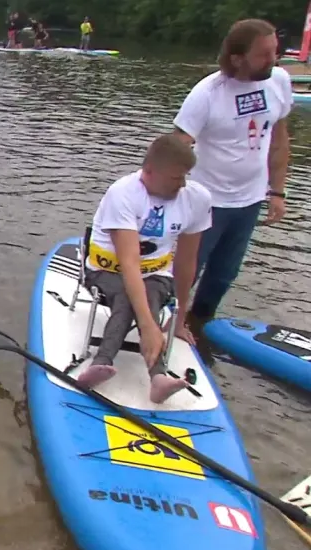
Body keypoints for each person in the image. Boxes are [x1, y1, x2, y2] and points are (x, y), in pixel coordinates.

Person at [76, 134, 213, 404]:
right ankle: (105, 363)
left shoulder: (197, 198)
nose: (183, 184)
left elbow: (187, 261)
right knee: (130, 295)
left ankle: (157, 380)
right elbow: (128, 263)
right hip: (107, 270)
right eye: (176, 178)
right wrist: (149, 326)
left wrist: (180, 318)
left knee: (150, 291)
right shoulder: (123, 193)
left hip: (156, 273)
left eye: (185, 176)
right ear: (149, 172)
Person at [173, 19, 292, 329]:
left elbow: (279, 141)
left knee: (224, 274)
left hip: (250, 201)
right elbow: (176, 148)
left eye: (275, 52)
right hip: (206, 201)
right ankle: (167, 322)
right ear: (238, 58)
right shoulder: (207, 93)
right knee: (188, 269)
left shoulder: (278, 81)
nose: (274, 60)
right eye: (264, 54)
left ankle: (198, 325)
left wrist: (277, 192)